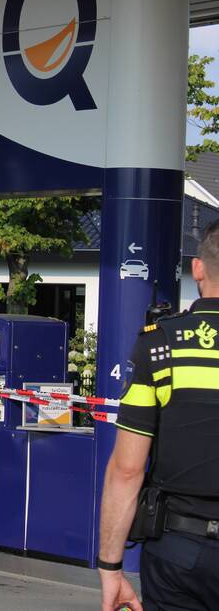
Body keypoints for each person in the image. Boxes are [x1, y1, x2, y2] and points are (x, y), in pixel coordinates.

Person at [99, 219, 219, 611]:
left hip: (178, 551)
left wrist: (110, 567)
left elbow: (127, 469)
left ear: (198, 268)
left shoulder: (160, 345)